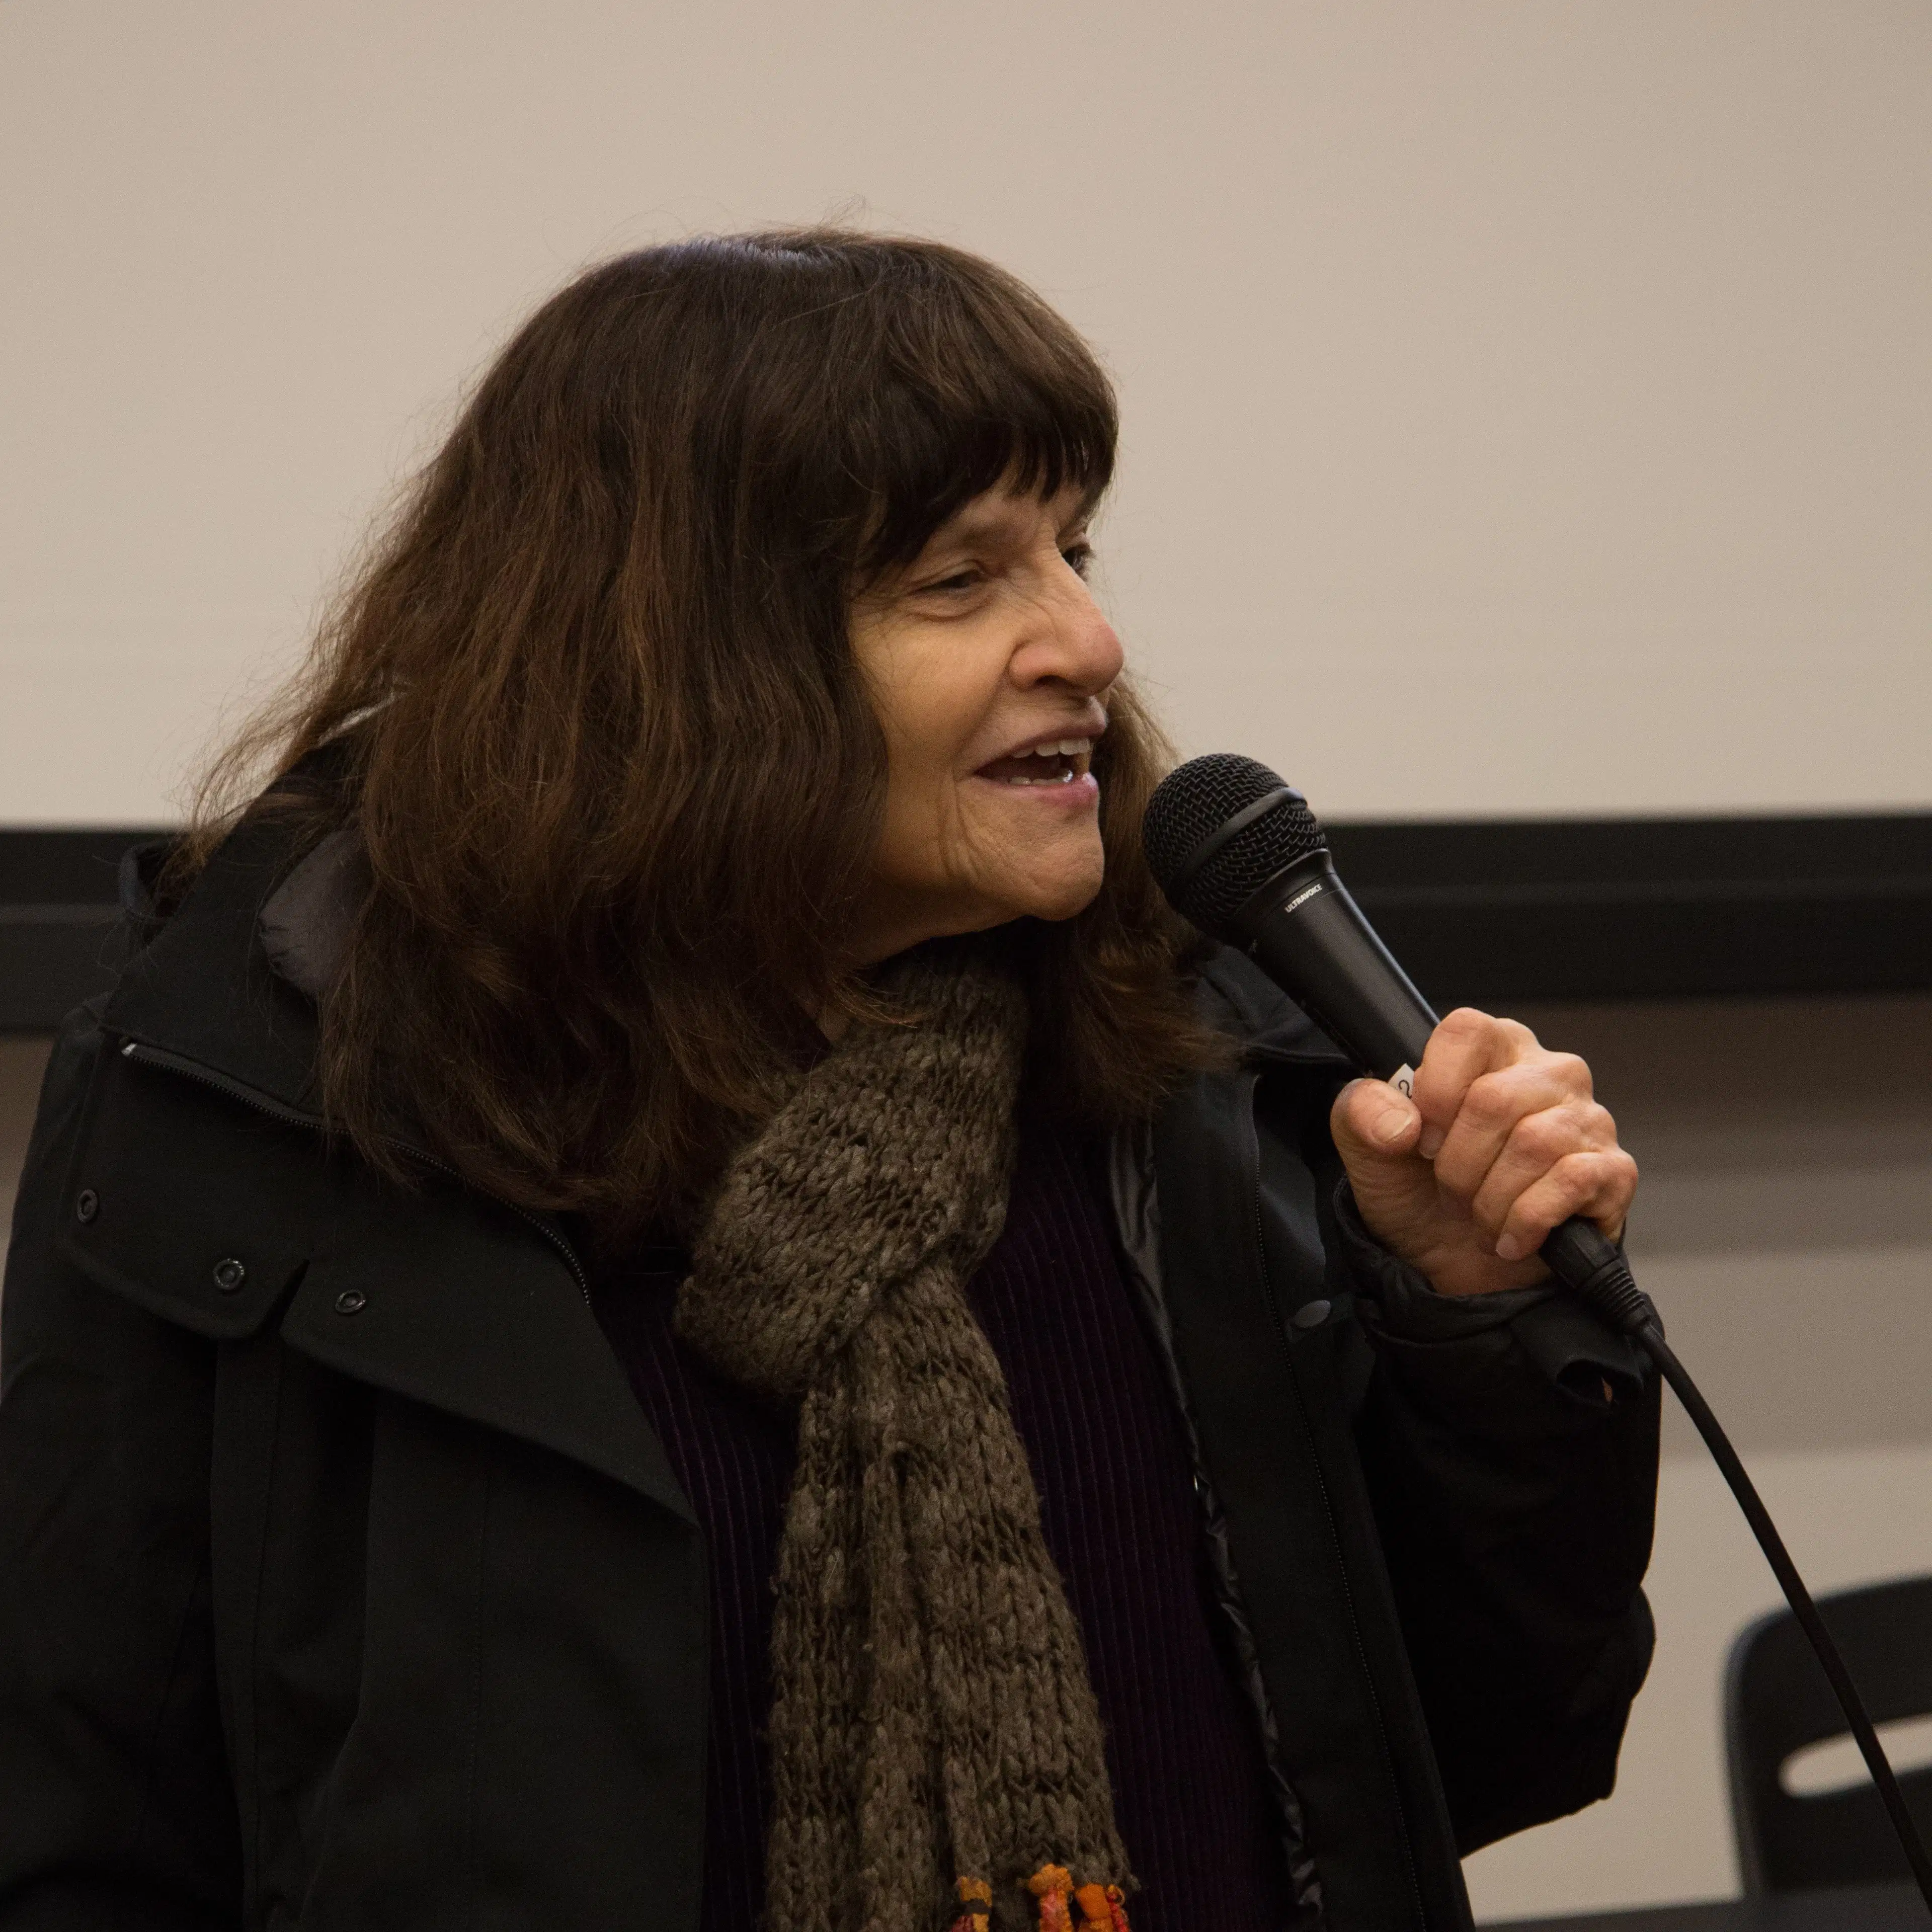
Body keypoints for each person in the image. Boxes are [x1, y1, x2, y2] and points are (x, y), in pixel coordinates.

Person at [0, 231, 1656, 1932]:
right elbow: (89, 1822)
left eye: (1074, 549)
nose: (1086, 639)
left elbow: (1483, 1750)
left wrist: (1470, 1323)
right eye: (961, 581)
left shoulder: (1189, 1068)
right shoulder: (260, 1098)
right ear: (676, 664)